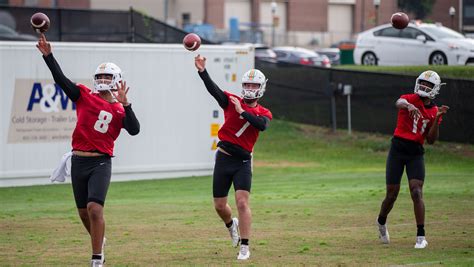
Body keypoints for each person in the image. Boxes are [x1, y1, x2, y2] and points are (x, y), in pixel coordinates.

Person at [36, 34, 140, 266]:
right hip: (78, 161)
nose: (103, 79)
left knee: (94, 208)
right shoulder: (84, 96)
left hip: (101, 162)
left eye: (107, 76)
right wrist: (48, 57)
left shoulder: (120, 110)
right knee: (84, 213)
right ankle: (98, 239)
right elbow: (62, 80)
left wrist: (126, 104)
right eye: (100, 75)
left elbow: (134, 130)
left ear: (117, 80)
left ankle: (96, 258)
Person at [194, 54, 272, 260]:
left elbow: (261, 125)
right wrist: (202, 72)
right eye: (247, 84)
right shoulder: (232, 101)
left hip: (243, 162)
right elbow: (214, 90)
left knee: (242, 202)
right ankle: (231, 225)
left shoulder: (264, 112)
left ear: (261, 88)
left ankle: (245, 246)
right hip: (224, 158)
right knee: (219, 205)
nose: (250, 88)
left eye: (254, 86)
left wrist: (243, 112)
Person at [376, 70, 449, 249]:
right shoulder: (409, 98)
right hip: (398, 149)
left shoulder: (434, 111)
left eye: (428, 85)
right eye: (422, 83)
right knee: (391, 195)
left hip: (415, 152)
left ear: (435, 89)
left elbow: (431, 140)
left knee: (416, 191)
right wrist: (408, 106)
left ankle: (421, 236)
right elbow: (398, 102)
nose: (423, 87)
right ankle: (381, 222)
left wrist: (437, 118)